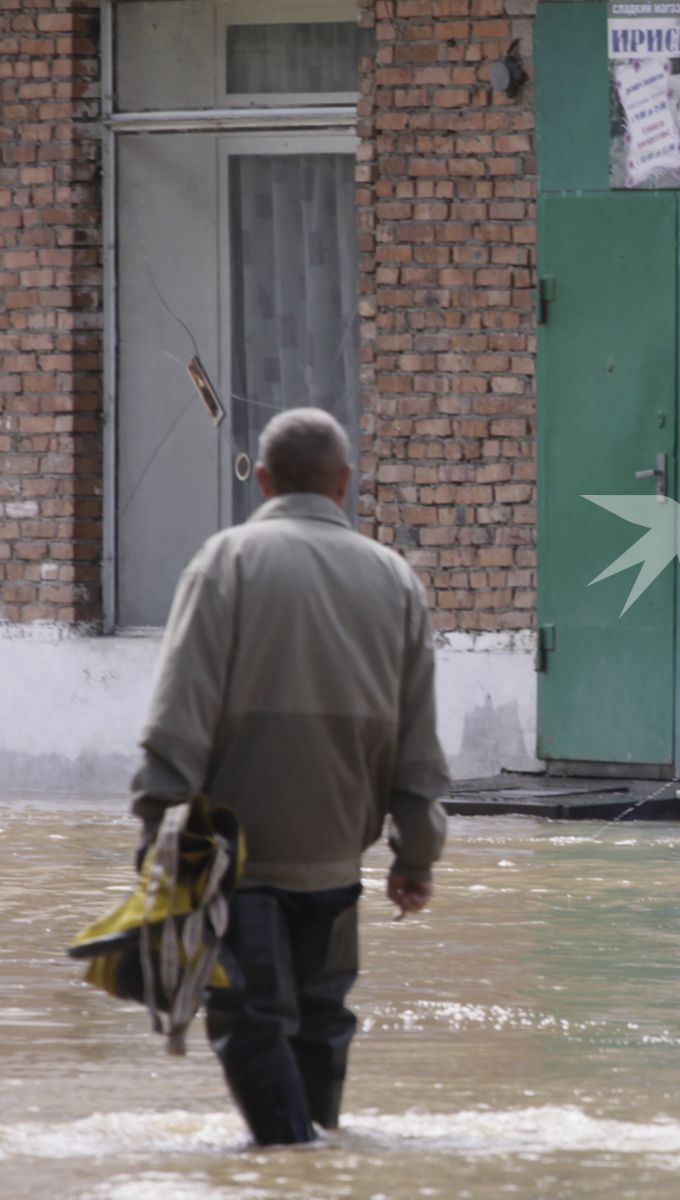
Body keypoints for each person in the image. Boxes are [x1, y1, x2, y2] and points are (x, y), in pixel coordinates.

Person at [130, 407, 450, 1146]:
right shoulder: (394, 579)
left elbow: (179, 720)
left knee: (248, 1016)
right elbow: (419, 746)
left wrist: (157, 840)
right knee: (321, 1018)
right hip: (337, 854)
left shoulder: (225, 561)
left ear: (264, 479)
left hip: (236, 853)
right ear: (344, 481)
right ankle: (319, 1156)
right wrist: (416, 857)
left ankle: (292, 1165)